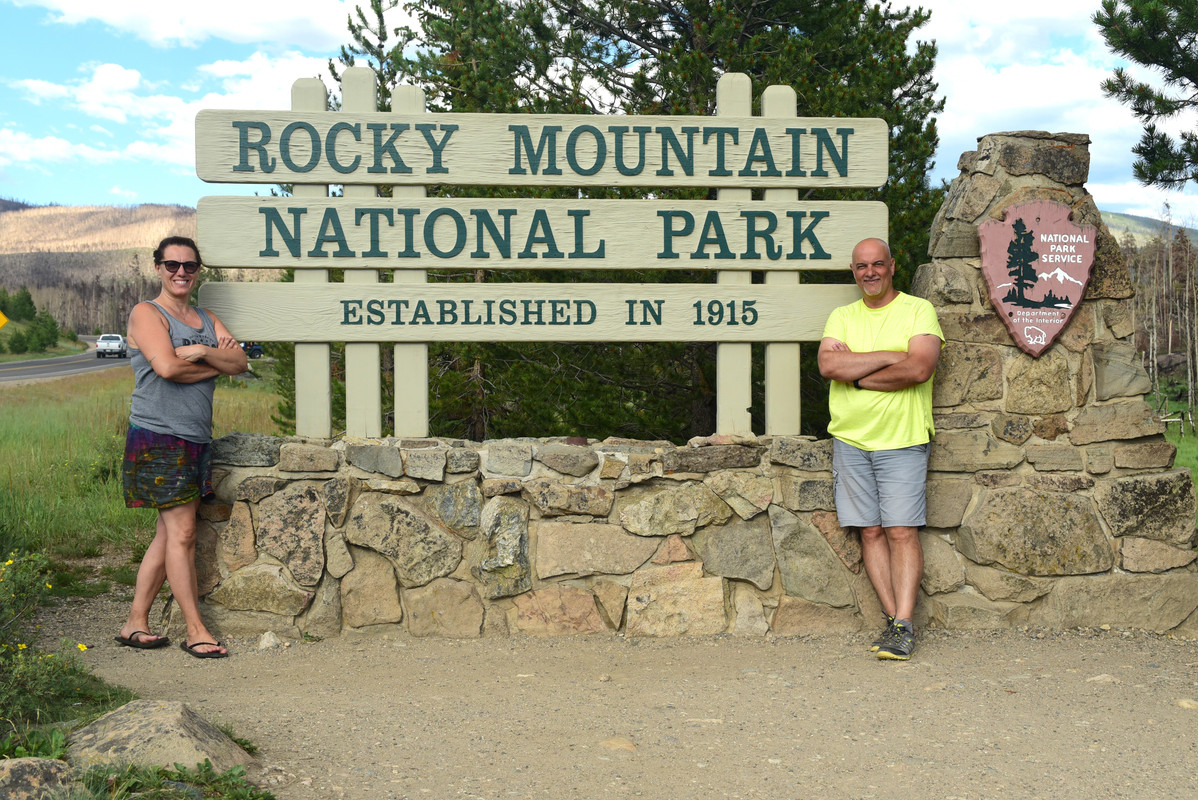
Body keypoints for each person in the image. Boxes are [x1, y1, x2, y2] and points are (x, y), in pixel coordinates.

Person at [116, 236, 247, 659]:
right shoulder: (146, 313)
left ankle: (135, 622)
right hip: (158, 435)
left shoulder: (206, 318)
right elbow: (167, 367)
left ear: (197, 271)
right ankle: (196, 631)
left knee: (167, 533)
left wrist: (200, 349)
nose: (180, 273)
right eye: (171, 265)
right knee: (183, 533)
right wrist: (214, 366)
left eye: (189, 266)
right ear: (158, 268)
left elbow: (241, 363)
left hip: (194, 437)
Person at [817, 238, 943, 661]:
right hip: (850, 439)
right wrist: (891, 356)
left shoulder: (917, 310)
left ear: (892, 265)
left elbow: (919, 368)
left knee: (901, 531)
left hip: (902, 438)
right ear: (852, 271)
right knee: (869, 531)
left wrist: (856, 373)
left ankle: (904, 624)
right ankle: (896, 624)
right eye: (860, 266)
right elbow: (828, 366)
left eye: (877, 264)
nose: (869, 272)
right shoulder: (841, 315)